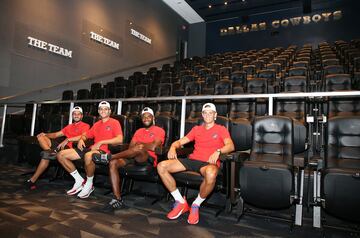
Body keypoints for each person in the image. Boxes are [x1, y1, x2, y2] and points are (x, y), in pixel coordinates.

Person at [157, 103, 235, 225]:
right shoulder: (196, 129)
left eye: (211, 113)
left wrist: (218, 151)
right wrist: (173, 146)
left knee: (211, 173)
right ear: (202, 115)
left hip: (207, 163)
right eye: (205, 112)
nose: (208, 115)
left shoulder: (221, 129)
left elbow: (230, 146)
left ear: (215, 115)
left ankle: (195, 204)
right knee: (161, 166)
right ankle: (180, 202)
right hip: (192, 160)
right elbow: (180, 142)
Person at [100, 107, 165, 212]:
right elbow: (131, 148)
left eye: (149, 116)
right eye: (144, 117)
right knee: (113, 163)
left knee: (139, 148)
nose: (146, 118)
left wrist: (141, 145)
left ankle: (110, 156)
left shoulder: (159, 130)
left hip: (147, 158)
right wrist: (142, 146)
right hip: (132, 156)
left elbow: (154, 147)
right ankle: (117, 198)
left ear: (153, 118)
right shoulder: (138, 131)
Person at [57, 101, 123, 198]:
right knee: (61, 155)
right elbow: (86, 135)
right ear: (98, 111)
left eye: (105, 109)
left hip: (104, 151)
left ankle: (89, 184)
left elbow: (119, 139)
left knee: (88, 155)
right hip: (91, 149)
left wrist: (101, 142)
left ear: (109, 111)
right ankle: (79, 180)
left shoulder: (114, 122)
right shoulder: (96, 124)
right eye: (101, 109)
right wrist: (81, 139)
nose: (103, 111)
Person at [24, 106, 90, 190]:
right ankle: (50, 151)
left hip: (71, 149)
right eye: (74, 114)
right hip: (62, 147)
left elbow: (84, 136)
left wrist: (68, 139)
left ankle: (32, 180)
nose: (76, 115)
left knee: (46, 156)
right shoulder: (69, 127)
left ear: (82, 116)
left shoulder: (85, 126)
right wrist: (45, 134)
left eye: (78, 114)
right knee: (41, 138)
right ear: (72, 115)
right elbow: (55, 135)